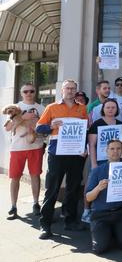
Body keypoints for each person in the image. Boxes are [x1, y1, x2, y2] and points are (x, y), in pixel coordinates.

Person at [35, 79, 89, 239]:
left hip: (76, 154)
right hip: (57, 153)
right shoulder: (52, 107)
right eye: (68, 88)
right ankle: (45, 224)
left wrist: (84, 148)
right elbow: (39, 128)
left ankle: (70, 221)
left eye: (73, 89)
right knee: (52, 189)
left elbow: (85, 131)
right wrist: (51, 126)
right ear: (62, 90)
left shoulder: (82, 108)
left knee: (73, 189)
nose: (70, 91)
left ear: (76, 91)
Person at [85, 139, 122, 254]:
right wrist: (98, 188)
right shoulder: (97, 170)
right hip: (101, 214)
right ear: (106, 151)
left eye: (118, 148)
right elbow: (88, 198)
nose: (115, 151)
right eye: (112, 149)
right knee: (100, 249)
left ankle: (115, 231)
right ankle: (106, 232)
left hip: (120, 212)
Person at [5, 83, 45, 220]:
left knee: (35, 175)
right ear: (21, 93)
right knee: (15, 177)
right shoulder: (15, 107)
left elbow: (44, 128)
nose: (28, 93)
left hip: (36, 147)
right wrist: (23, 118)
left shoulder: (41, 108)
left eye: (31, 91)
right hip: (17, 148)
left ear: (35, 92)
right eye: (25, 91)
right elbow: (8, 128)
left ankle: (35, 203)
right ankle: (13, 206)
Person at [85, 99, 122, 223]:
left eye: (113, 107)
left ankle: (114, 210)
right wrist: (93, 164)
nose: (110, 110)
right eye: (108, 107)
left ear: (117, 110)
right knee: (93, 185)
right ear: (103, 109)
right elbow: (92, 144)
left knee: (113, 185)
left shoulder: (120, 124)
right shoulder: (96, 124)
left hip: (116, 161)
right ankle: (87, 210)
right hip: (99, 160)